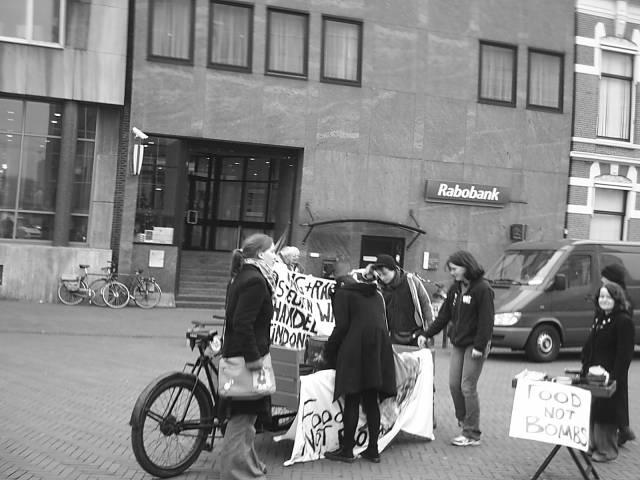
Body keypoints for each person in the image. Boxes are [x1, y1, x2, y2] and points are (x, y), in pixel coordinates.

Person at [322, 258, 397, 463]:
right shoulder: (373, 293)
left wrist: (327, 352)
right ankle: (373, 449)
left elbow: (341, 327)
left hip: (355, 348)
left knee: (353, 398)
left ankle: (347, 450)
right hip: (378, 349)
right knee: (371, 399)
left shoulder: (342, 294)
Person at [219, 233, 278, 479]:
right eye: (272, 251)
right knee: (242, 420)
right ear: (260, 254)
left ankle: (250, 466)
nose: (275, 256)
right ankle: (235, 473)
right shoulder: (255, 280)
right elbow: (243, 323)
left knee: (248, 420)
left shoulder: (243, 276)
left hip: (242, 353)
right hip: (247, 359)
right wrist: (254, 358)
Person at [422, 250, 494, 447]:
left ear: (465, 266)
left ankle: (472, 433)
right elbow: (444, 316)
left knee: (467, 386)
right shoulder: (455, 289)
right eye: (450, 270)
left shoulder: (482, 289)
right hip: (459, 343)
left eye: (454, 269)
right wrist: (426, 334)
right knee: (454, 385)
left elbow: (487, 321)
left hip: (475, 345)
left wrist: (480, 346)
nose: (452, 273)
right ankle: (464, 420)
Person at [581, 282, 635, 462]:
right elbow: (591, 345)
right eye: (601, 297)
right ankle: (592, 445)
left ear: (616, 298)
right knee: (592, 410)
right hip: (593, 375)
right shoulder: (599, 317)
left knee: (606, 413)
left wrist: (613, 378)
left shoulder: (623, 321)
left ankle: (606, 450)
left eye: (608, 297)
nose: (604, 300)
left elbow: (624, 354)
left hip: (610, 377)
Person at [599, 263, 636, 446]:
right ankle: (623, 428)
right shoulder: (611, 295)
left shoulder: (621, 301)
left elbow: (622, 333)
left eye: (604, 278)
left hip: (614, 359)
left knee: (616, 393)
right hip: (609, 357)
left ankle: (621, 429)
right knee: (619, 394)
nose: (601, 281)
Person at [363, 254, 434, 347]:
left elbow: (425, 304)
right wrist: (368, 276)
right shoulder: (379, 287)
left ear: (394, 269)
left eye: (385, 274)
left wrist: (430, 330)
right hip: (391, 336)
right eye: (380, 275)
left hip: (415, 334)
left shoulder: (411, 280)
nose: (383, 278)